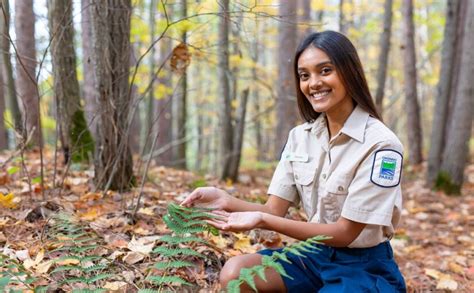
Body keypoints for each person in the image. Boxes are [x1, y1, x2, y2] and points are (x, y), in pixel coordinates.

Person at [181, 31, 406, 293]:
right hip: (313, 255)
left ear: (349, 71)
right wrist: (226, 201)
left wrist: (261, 221)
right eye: (304, 75)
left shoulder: (382, 145)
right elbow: (274, 209)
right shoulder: (299, 137)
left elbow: (346, 233)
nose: (314, 83)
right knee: (235, 274)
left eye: (325, 70)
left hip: (364, 265)